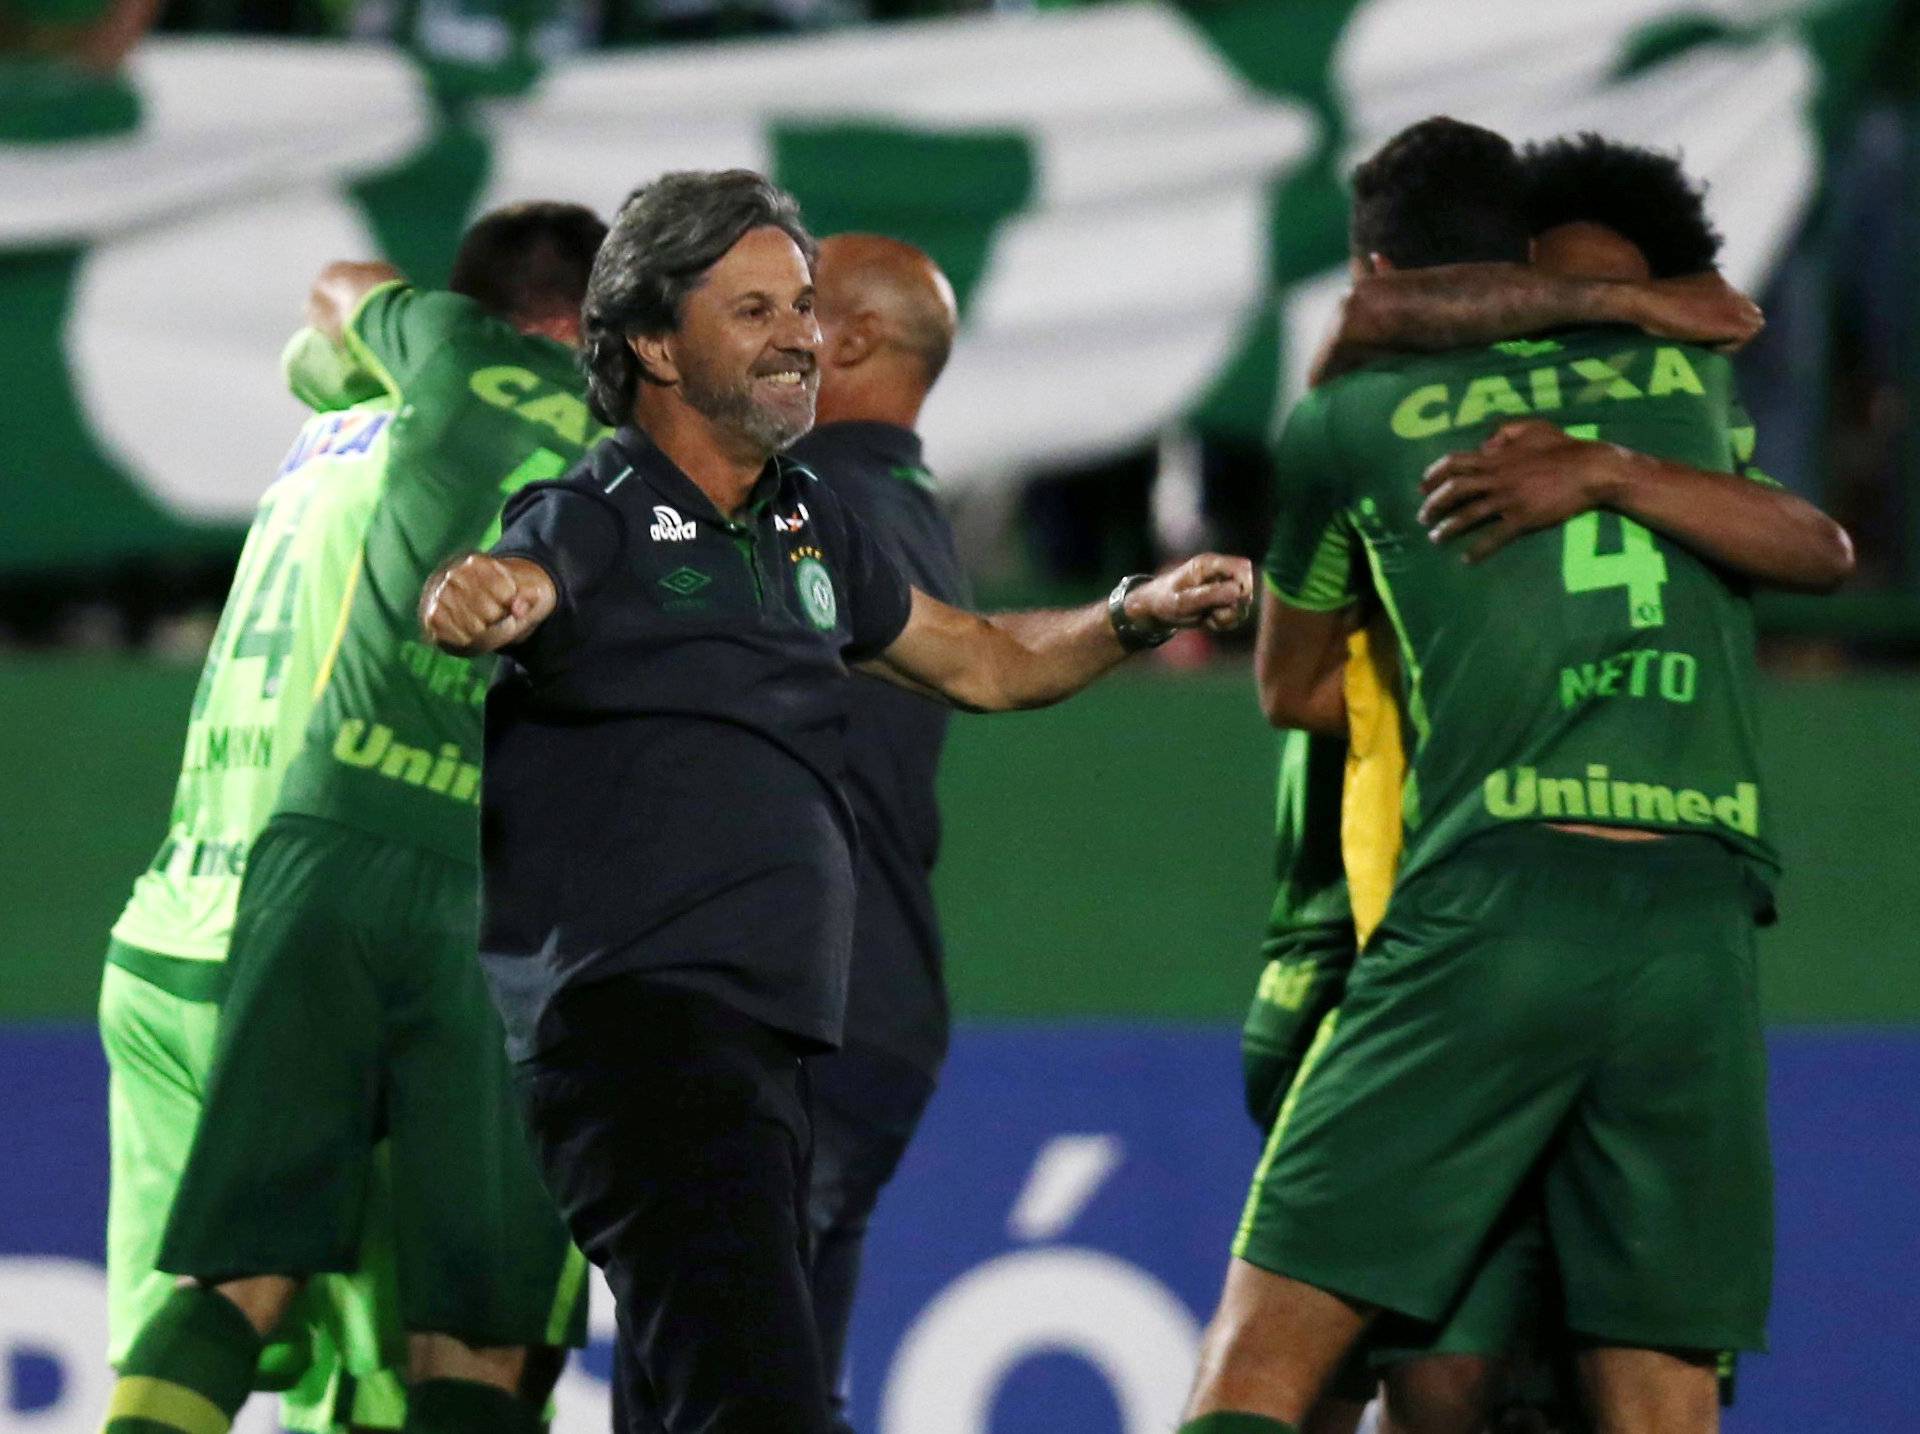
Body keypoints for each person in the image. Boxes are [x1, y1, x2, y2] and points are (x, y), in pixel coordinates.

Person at [419, 168, 1253, 1434]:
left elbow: (983, 659)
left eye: (801, 305)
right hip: (646, 1041)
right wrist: (483, 596)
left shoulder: (810, 521)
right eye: (752, 310)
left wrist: (1132, 613)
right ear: (652, 341)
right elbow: (505, 582)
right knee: (764, 1405)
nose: (798, 334)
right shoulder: (597, 510)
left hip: (762, 1047)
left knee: (707, 1400)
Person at [1181, 116, 1849, 1434]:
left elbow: (1290, 686)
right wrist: (1617, 444)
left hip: (1483, 898)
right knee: (1658, 1393)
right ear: (1525, 251)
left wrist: (1448, 651)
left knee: (1276, 1355)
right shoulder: (1677, 380)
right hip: (1699, 915)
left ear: (1379, 269)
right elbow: (1820, 546)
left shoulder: (1346, 417)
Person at [101, 201, 609, 1434]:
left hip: (180, 930)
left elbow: (327, 319)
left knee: (217, 1315)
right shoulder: (530, 453)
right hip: (378, 921)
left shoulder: (331, 432)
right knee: (446, 1362)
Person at [788, 233, 968, 1430]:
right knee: (788, 1379)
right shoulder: (905, 507)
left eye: (791, 308)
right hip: (874, 1004)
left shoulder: (809, 511)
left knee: (728, 1384)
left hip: (809, 1007)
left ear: (847, 342)